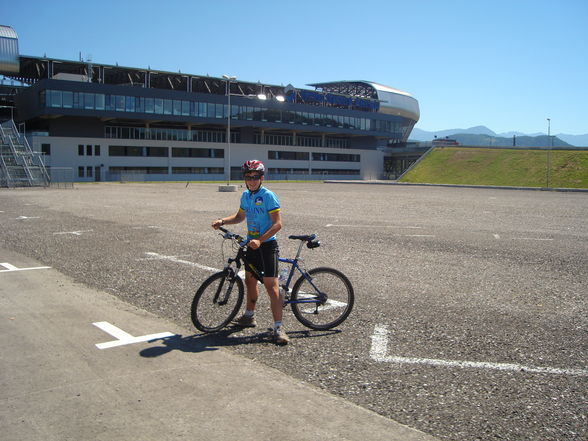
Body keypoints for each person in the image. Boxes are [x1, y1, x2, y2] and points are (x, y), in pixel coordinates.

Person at [211, 160, 289, 345]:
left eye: (255, 177)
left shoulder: (268, 196)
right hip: (251, 245)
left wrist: (260, 240)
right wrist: (222, 221)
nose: (252, 180)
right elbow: (239, 217)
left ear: (261, 178)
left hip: (267, 246)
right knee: (250, 281)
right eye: (248, 177)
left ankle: (278, 328)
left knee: (271, 286)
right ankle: (249, 316)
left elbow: (278, 223)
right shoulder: (246, 196)